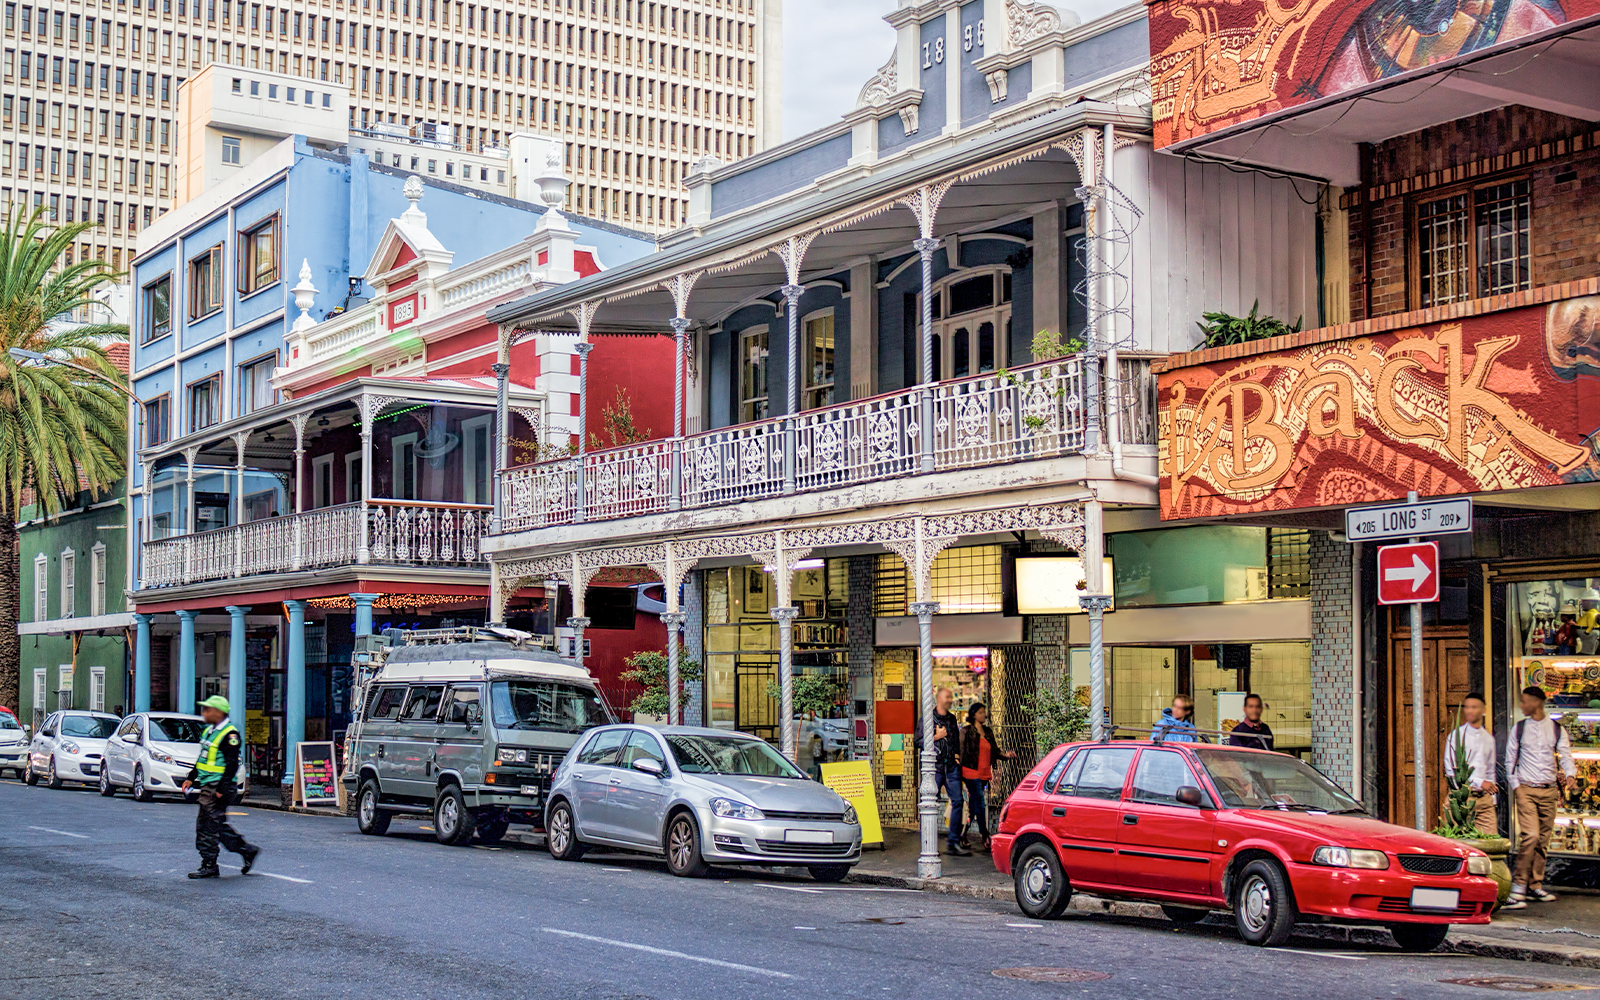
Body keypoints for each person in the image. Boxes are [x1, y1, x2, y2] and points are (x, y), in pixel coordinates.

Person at [1503, 686, 1576, 909]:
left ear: (1537, 702)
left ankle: (1535, 885)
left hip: (1549, 790)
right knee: (1531, 836)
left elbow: (1565, 755)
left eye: (1525, 701)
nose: (1522, 705)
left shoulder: (1556, 729)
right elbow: (1509, 761)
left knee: (1542, 840)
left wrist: (1571, 774)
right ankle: (1518, 887)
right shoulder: (1519, 729)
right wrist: (1517, 788)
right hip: (1526, 788)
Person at [181, 695, 260, 880]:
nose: (204, 713)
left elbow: (232, 764)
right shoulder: (210, 731)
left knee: (207, 826)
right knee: (215, 825)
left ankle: (209, 865)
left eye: (208, 710)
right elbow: (203, 758)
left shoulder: (229, 734)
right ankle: (247, 851)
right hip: (210, 784)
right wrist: (191, 778)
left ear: (218, 712)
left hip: (218, 787)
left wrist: (221, 789)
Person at [914, 687, 967, 856]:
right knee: (930, 803)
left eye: (950, 697)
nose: (950, 700)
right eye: (947, 697)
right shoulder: (928, 718)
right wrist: (937, 736)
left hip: (951, 766)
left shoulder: (951, 719)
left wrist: (957, 758)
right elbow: (917, 741)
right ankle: (928, 844)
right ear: (939, 699)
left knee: (958, 801)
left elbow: (956, 742)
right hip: (934, 768)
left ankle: (953, 843)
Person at [959, 703, 1016, 851]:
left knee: (974, 806)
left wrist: (1006, 755)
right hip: (970, 773)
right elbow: (959, 751)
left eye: (984, 712)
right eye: (980, 712)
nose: (984, 715)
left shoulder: (988, 732)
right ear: (973, 715)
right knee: (981, 803)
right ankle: (985, 835)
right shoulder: (966, 731)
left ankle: (963, 834)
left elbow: (995, 752)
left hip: (984, 773)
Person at [1442, 692, 1499, 837]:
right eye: (1467, 707)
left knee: (1490, 840)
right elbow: (1452, 770)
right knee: (1457, 843)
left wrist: (1492, 799)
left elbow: (1490, 770)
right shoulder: (1456, 736)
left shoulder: (1488, 739)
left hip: (1484, 800)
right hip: (1461, 798)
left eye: (1474, 707)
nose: (1470, 711)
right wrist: (1480, 782)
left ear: (1483, 710)